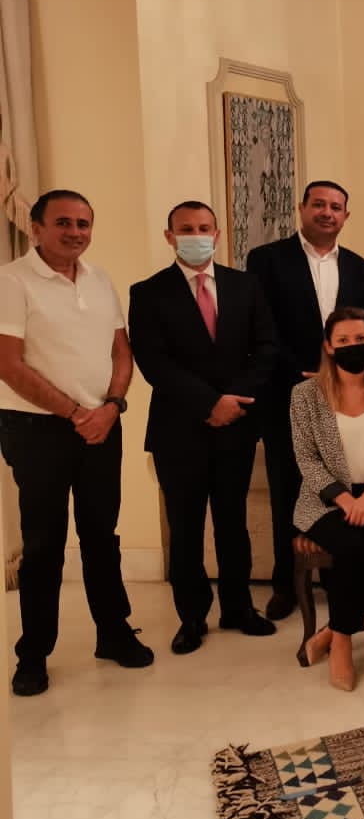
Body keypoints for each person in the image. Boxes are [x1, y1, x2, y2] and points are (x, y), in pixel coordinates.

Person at [0, 190, 151, 697]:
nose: (75, 232)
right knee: (43, 543)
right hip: (36, 428)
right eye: (63, 222)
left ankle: (113, 632)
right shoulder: (11, 281)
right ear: (36, 228)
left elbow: (121, 352)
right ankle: (33, 653)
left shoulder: (99, 279)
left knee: (101, 534)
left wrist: (112, 406)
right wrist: (74, 412)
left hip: (103, 423)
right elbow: (7, 364)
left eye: (83, 224)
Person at [128, 200, 279, 654]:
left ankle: (238, 607)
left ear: (216, 234)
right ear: (170, 236)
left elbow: (266, 348)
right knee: (185, 527)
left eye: (204, 228)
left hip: (236, 424)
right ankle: (191, 617)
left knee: (233, 523)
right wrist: (207, 403)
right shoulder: (148, 292)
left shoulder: (245, 285)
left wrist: (232, 401)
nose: (196, 235)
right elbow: (153, 361)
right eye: (186, 228)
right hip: (179, 430)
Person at [246, 180, 364, 622]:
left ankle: (342, 577)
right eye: (318, 204)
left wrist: (341, 373)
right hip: (286, 391)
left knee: (343, 481)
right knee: (287, 487)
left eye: (335, 207)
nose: (326, 212)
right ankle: (286, 584)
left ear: (345, 216)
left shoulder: (360, 267)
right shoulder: (266, 260)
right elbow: (261, 325)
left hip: (346, 395)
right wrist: (304, 370)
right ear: (302, 208)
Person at [289, 307, 364, 692]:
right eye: (342, 340)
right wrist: (347, 501)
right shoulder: (305, 395)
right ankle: (342, 643)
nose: (352, 346)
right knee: (352, 547)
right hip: (325, 498)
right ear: (328, 346)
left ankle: (332, 630)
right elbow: (307, 459)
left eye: (360, 339)